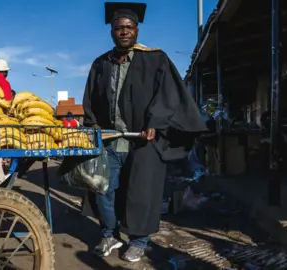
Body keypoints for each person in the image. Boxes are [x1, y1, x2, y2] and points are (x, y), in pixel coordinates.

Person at [82, 3, 207, 262]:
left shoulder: (155, 59)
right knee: (102, 188)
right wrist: (93, 125)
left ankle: (139, 240)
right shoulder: (100, 64)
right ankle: (110, 233)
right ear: (112, 32)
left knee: (140, 194)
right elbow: (90, 99)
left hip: (144, 140)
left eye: (129, 27)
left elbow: (169, 95)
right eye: (119, 28)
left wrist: (156, 122)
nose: (124, 32)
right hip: (112, 141)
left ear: (137, 30)